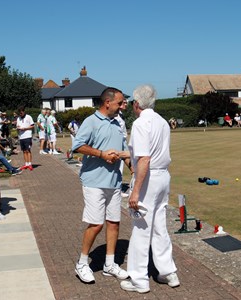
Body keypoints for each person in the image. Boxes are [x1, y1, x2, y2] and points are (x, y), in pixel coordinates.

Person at [119, 85, 179, 294]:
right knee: (159, 225)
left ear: (137, 104)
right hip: (163, 176)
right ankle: (168, 272)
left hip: (149, 178)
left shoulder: (140, 123)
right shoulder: (162, 122)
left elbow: (144, 158)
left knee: (141, 228)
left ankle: (139, 280)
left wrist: (135, 191)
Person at [72, 87, 130, 284]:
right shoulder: (91, 121)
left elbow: (124, 151)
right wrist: (101, 154)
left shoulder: (118, 123)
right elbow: (77, 146)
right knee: (96, 223)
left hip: (114, 182)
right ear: (107, 102)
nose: (123, 105)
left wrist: (136, 171)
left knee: (114, 222)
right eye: (119, 102)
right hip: (94, 181)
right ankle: (81, 263)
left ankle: (109, 264)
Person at [16, 106, 35, 171]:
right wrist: (18, 128)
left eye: (21, 113)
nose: (20, 114)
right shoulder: (18, 118)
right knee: (24, 151)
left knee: (28, 150)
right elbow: (18, 126)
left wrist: (25, 128)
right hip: (21, 136)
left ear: (24, 111)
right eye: (19, 113)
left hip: (27, 136)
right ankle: (26, 163)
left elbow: (32, 126)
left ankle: (30, 164)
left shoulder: (29, 117)